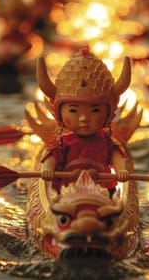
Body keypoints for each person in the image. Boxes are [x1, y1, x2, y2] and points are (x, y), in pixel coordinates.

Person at [36, 48, 133, 191]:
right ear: (59, 113)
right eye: (73, 110)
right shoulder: (62, 142)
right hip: (67, 189)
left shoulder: (107, 140)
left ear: (108, 113)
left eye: (95, 110)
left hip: (102, 189)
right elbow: (52, 157)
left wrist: (121, 171)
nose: (84, 118)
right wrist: (47, 169)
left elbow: (115, 155)